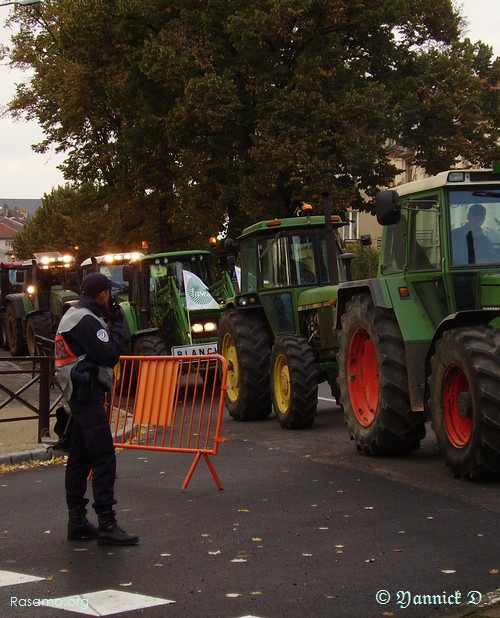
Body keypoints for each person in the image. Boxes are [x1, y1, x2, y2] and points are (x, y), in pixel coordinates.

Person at [55, 272, 139, 546]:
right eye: (109, 293)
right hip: (87, 393)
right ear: (102, 294)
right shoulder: (87, 320)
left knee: (80, 457)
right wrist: (117, 325)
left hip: (78, 393)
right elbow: (109, 355)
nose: (111, 297)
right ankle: (106, 522)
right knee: (103, 455)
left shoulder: (74, 314)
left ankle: (77, 520)